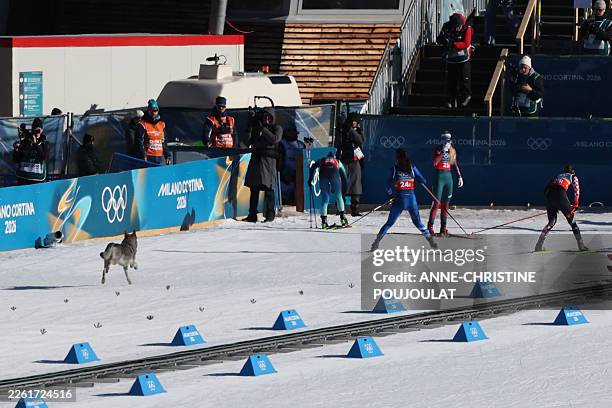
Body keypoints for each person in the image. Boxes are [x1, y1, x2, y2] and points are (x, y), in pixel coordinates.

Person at [371, 148, 437, 251]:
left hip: (399, 200)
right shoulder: (412, 168)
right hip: (411, 200)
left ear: (397, 157)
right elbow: (423, 180)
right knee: (418, 223)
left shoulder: (394, 169)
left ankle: (375, 244)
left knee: (389, 223)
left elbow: (387, 185)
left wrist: (391, 194)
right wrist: (418, 180)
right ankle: (432, 243)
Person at [535, 165, 588, 252]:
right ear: (572, 171)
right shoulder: (573, 176)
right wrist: (575, 204)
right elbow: (577, 190)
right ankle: (581, 246)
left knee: (551, 222)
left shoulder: (557, 175)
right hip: (560, 196)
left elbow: (546, 189)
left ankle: (538, 245)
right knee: (572, 222)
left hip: (549, 196)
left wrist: (551, 203)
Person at [243, 107, 283, 223]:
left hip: (268, 162)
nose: (266, 119)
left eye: (268, 117)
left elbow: (275, 139)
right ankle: (252, 215)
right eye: (264, 116)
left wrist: (263, 129)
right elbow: (247, 142)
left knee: (268, 188)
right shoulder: (257, 128)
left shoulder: (277, 128)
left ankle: (270, 215)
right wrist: (250, 127)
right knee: (254, 189)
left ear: (272, 117)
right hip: (256, 160)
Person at [427, 131, 463, 237]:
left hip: (449, 178)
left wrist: (459, 176)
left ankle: (443, 228)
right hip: (439, 178)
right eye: (445, 140)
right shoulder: (437, 149)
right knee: (437, 203)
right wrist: (443, 151)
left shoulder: (452, 150)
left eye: (448, 140)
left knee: (446, 204)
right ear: (441, 140)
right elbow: (435, 163)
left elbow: (455, 164)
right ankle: (430, 227)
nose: (447, 142)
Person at [437, 13, 473, 109]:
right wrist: (445, 41)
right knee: (451, 81)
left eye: (459, 26)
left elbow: (466, 43)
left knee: (464, 80)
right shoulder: (447, 26)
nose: (457, 28)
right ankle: (450, 99)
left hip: (463, 58)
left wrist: (454, 44)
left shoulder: (467, 28)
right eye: (455, 26)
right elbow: (440, 39)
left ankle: (465, 98)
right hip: (451, 59)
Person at [308, 151, 348, 229]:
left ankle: (324, 222)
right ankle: (343, 219)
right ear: (334, 157)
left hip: (323, 175)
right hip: (334, 175)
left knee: (325, 199)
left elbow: (313, 167)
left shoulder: (322, 160)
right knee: (338, 196)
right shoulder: (337, 161)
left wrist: (310, 179)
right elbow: (344, 177)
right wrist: (344, 189)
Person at [335, 112, 364, 216]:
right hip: (343, 160)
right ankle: (340, 209)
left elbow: (360, 140)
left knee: (356, 185)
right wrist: (343, 128)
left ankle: (355, 209)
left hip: (355, 161)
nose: (356, 124)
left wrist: (351, 130)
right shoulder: (341, 130)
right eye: (355, 122)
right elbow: (337, 143)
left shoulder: (357, 131)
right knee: (341, 184)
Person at [12, 117, 49, 185]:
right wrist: (16, 150)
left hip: (38, 179)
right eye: (35, 130)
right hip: (23, 179)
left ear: (42, 130)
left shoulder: (44, 143)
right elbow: (16, 160)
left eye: (39, 130)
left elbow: (43, 157)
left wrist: (35, 144)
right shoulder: (25, 142)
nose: (37, 133)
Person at [135, 99, 171, 165]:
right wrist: (143, 155)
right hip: (148, 157)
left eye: (155, 110)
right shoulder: (143, 124)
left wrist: (167, 155)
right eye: (151, 110)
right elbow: (139, 141)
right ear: (148, 110)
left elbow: (164, 141)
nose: (153, 113)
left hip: (159, 156)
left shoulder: (161, 124)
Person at [278, 123, 306, 205]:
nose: (294, 134)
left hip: (299, 177)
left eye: (295, 132)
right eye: (291, 132)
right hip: (285, 178)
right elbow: (280, 161)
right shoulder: (281, 144)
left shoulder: (301, 144)